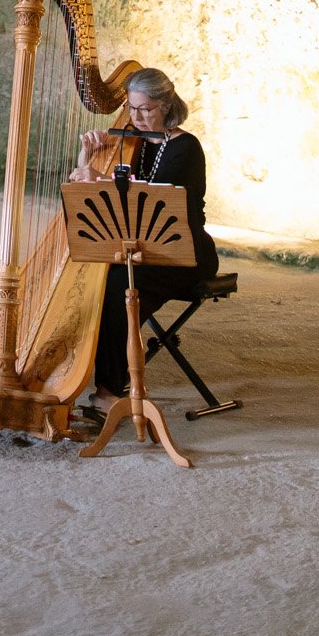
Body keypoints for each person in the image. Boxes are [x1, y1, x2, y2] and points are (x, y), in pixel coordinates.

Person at [67, 66, 218, 416]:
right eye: (132, 109)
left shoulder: (186, 149)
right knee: (104, 277)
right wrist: (86, 159)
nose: (136, 117)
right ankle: (99, 378)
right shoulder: (129, 141)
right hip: (141, 248)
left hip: (185, 252)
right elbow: (94, 196)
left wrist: (100, 177)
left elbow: (147, 200)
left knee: (120, 283)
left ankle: (109, 390)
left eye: (146, 109)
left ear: (165, 104)